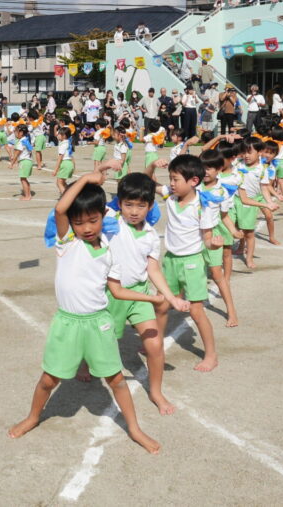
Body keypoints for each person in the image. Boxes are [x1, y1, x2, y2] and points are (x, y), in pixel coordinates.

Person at [8, 168, 162, 453]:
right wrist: (86, 179)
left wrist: (152, 298)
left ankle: (135, 429)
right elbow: (60, 208)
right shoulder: (67, 243)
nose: (87, 227)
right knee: (48, 379)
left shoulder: (109, 251)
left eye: (93, 220)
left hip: (98, 324)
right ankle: (33, 417)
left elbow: (117, 290)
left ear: (104, 215)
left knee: (116, 380)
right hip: (67, 324)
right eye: (79, 222)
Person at [100, 172, 190, 412]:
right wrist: (101, 171)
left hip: (139, 295)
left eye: (141, 206)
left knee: (154, 344)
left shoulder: (151, 235)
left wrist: (172, 298)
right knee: (100, 341)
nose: (134, 211)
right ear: (119, 203)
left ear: (150, 206)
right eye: (128, 204)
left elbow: (153, 269)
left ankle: (156, 392)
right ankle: (85, 364)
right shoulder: (111, 221)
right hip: (109, 294)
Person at [147, 154, 223, 371]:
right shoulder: (170, 196)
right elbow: (147, 183)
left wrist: (213, 245)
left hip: (192, 263)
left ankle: (211, 355)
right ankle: (156, 344)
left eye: (176, 179)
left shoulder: (202, 205)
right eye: (170, 178)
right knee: (162, 305)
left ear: (194, 181)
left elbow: (207, 239)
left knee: (196, 311)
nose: (171, 183)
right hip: (171, 260)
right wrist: (152, 165)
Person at [198, 150, 241, 327]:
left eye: (209, 168)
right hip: (194, 234)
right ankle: (182, 297)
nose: (205, 172)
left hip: (213, 234)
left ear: (218, 170)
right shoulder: (194, 186)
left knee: (217, 274)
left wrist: (234, 231)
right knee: (191, 269)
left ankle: (231, 311)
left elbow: (224, 216)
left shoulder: (222, 190)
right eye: (202, 167)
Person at [231, 138, 279, 271]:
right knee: (238, 227)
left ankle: (249, 258)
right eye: (244, 152)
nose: (246, 155)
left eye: (249, 152)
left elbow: (264, 188)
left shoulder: (262, 170)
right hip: (235, 200)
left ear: (259, 152)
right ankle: (241, 246)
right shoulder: (238, 164)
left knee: (249, 232)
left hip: (250, 202)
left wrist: (269, 202)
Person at [9, 124, 33, 200]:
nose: (15, 133)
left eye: (16, 131)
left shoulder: (21, 142)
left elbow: (16, 154)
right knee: (24, 179)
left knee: (23, 179)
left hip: (24, 162)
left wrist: (12, 164)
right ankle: (28, 194)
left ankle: (27, 196)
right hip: (29, 161)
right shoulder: (26, 140)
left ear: (21, 133)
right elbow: (30, 152)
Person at [52, 127, 75, 194]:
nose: (57, 135)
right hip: (69, 164)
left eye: (59, 134)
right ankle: (71, 194)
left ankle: (65, 197)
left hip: (65, 164)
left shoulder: (63, 145)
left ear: (64, 136)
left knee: (59, 183)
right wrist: (73, 166)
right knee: (63, 182)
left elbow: (60, 158)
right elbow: (72, 157)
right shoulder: (68, 142)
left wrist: (55, 170)